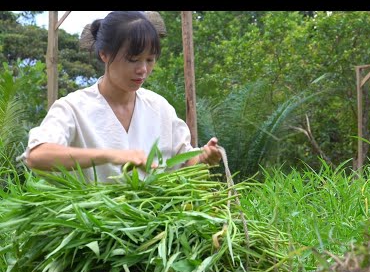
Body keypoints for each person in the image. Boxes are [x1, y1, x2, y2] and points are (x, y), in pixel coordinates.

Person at [20, 11, 221, 183]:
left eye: (150, 60)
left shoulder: (159, 108)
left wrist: (203, 158)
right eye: (133, 59)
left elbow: (183, 164)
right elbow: (37, 156)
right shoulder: (72, 108)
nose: (143, 69)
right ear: (104, 54)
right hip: (92, 223)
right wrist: (111, 155)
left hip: (154, 221)